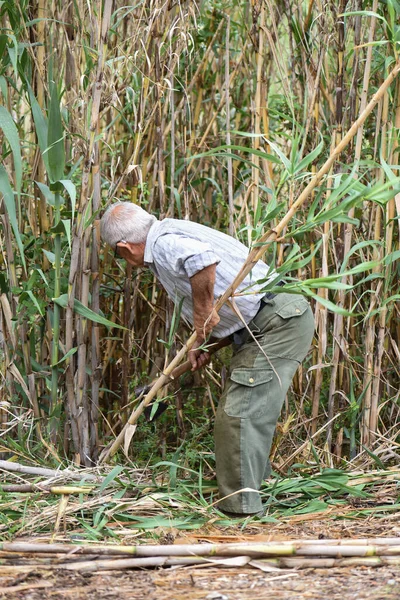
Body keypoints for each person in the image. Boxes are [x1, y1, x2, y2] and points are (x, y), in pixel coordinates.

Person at [100, 202, 314, 516]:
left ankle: (241, 512)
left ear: (124, 247)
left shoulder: (162, 244)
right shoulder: (169, 232)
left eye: (119, 255)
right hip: (267, 319)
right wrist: (204, 343)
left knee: (238, 415)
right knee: (246, 411)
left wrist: (202, 312)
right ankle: (256, 488)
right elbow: (230, 301)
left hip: (277, 321)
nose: (125, 261)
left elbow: (202, 261)